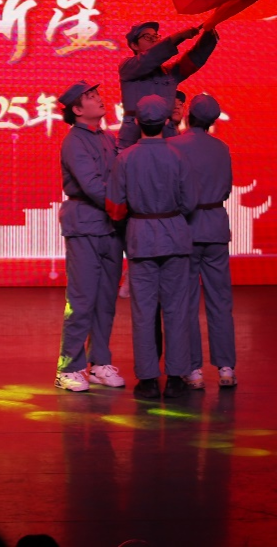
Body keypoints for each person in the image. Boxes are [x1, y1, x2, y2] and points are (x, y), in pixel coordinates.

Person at [106, 94, 197, 399]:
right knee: (176, 309)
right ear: (166, 119)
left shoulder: (125, 158)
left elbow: (115, 207)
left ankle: (147, 379)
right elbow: (190, 202)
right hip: (175, 236)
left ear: (137, 121)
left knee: (143, 311)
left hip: (140, 237)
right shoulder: (178, 156)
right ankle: (176, 378)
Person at [53, 81, 125, 393]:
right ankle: (69, 367)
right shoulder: (74, 141)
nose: (99, 99)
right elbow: (93, 185)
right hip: (85, 222)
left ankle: (100, 363)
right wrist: (122, 205)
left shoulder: (109, 138)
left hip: (111, 225)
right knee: (82, 299)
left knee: (106, 299)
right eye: (91, 97)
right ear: (78, 110)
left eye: (97, 95)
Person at [169, 93, 236, 388]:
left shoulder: (174, 145)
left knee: (185, 301)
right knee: (220, 300)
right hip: (216, 226)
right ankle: (226, 368)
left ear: (189, 116)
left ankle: (193, 370)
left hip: (186, 228)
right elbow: (226, 189)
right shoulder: (221, 148)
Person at [117, 22, 218, 147]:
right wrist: (179, 36)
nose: (154, 40)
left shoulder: (169, 74)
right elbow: (151, 56)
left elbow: (194, 60)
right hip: (134, 139)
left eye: (156, 36)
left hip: (167, 137)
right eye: (147, 37)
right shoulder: (127, 67)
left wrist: (209, 31)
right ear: (134, 45)